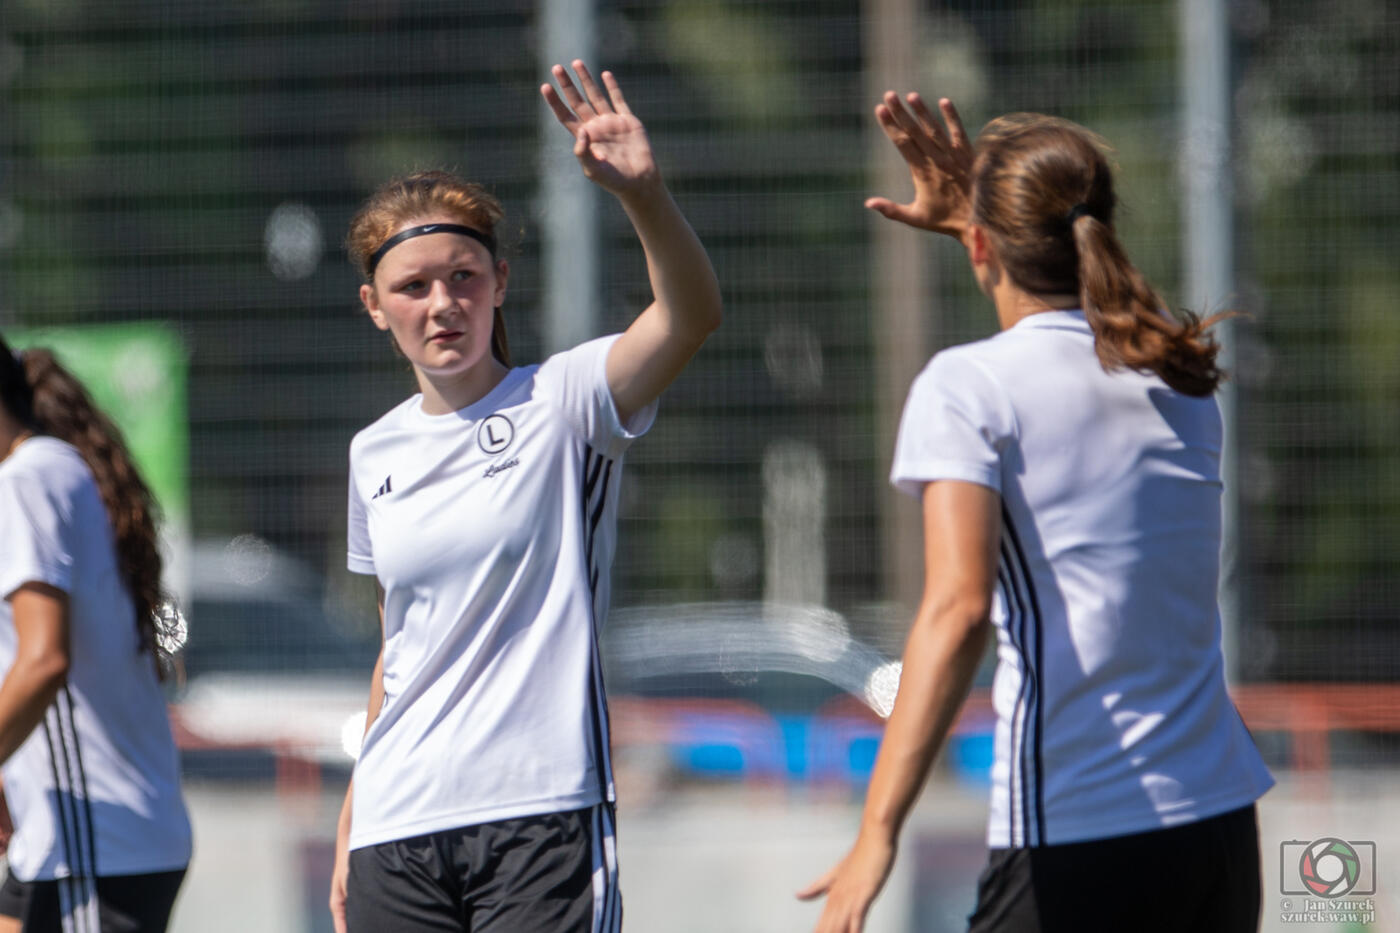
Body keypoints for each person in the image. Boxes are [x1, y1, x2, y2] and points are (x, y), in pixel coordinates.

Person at [798, 92, 1273, 932]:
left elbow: (957, 609)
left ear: (982, 247)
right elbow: (1089, 311)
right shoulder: (1179, 371)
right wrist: (983, 231)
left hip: (1077, 825)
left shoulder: (968, 387)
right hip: (1218, 825)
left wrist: (877, 830)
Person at [327, 61, 721, 933]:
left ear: (500, 282)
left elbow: (690, 315)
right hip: (399, 822)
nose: (443, 304)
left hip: (541, 811)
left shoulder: (567, 398)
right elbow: (400, 642)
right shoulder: (373, 453)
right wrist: (355, 811)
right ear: (373, 305)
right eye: (413, 286)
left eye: (463, 277)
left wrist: (645, 195)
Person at [0, 338, 192, 933]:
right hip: (83, 842)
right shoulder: (57, 472)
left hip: (92, 846)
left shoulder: (26, 477)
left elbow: (42, 662)